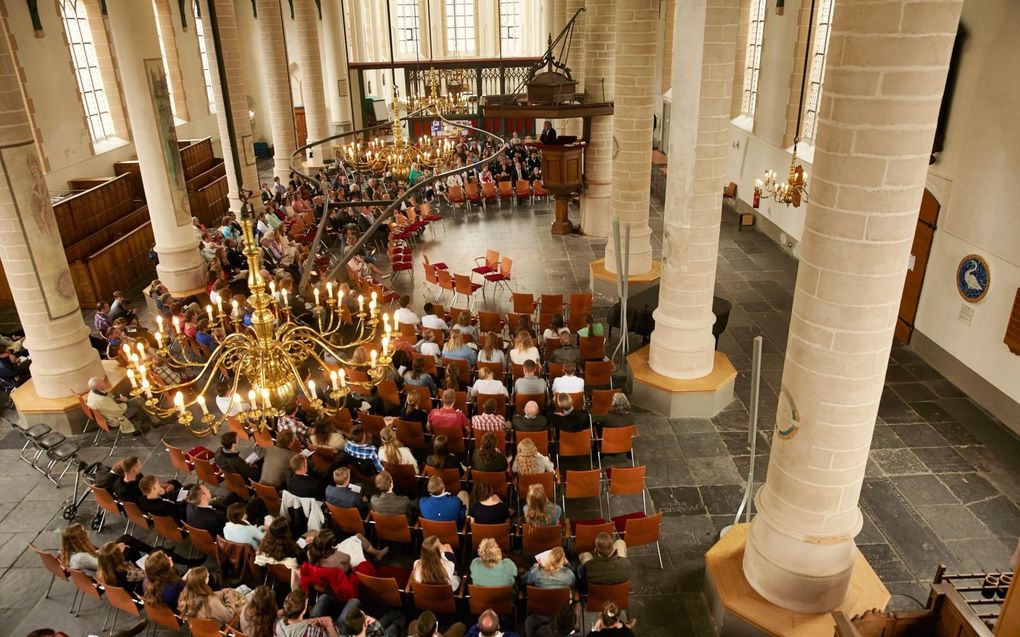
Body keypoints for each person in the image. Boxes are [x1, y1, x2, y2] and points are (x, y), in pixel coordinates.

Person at [177, 567, 247, 623]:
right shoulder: (210, 602)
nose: (209, 575)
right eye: (207, 576)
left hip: (207, 623)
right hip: (227, 621)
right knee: (249, 593)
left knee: (244, 587)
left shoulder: (184, 596)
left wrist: (222, 592)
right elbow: (229, 616)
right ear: (203, 582)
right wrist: (229, 595)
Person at [275, 590, 339, 637]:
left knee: (324, 598)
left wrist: (311, 621)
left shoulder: (277, 624)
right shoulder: (314, 631)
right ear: (304, 609)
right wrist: (329, 625)